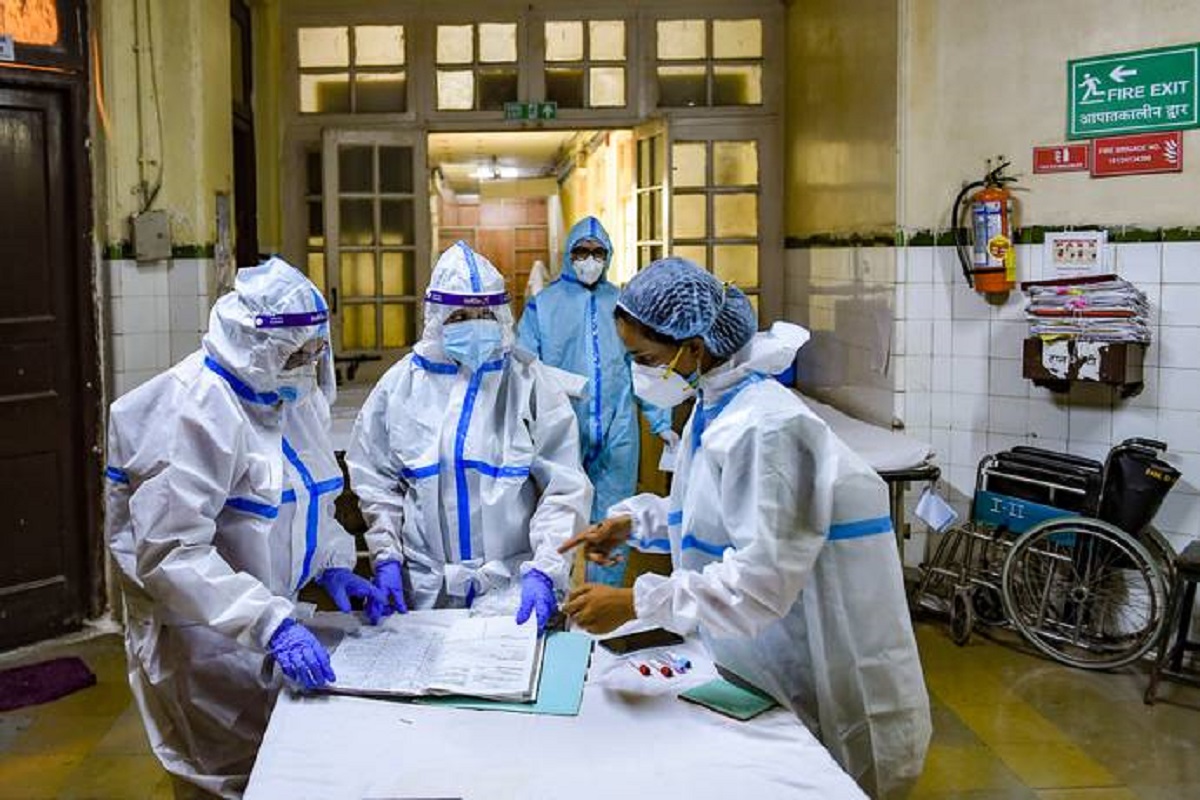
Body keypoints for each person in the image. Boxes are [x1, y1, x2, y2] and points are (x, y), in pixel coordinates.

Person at [559, 258, 930, 799]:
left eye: (646, 359)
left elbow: (761, 581)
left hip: (820, 667)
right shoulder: (717, 404)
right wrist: (632, 524)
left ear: (694, 347)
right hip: (763, 657)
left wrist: (636, 602)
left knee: (824, 778)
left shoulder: (769, 427)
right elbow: (711, 511)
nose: (640, 373)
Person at [104, 258, 387, 798]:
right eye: (296, 353)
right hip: (203, 640)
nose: (309, 364)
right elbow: (172, 555)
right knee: (225, 779)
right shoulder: (195, 410)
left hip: (262, 631)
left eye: (316, 351)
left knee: (280, 773)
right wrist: (269, 623)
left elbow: (309, 498)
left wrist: (331, 564)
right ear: (254, 344)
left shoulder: (288, 397)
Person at [347, 241, 592, 632]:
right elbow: (375, 481)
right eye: (460, 316)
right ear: (437, 318)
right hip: (424, 591)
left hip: (514, 590)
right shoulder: (400, 386)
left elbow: (564, 489)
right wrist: (386, 555)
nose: (475, 325)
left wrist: (545, 570)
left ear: (501, 316)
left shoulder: (529, 382)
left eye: (484, 314)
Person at [517, 217, 674, 586]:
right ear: (568, 255)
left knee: (613, 519)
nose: (590, 259)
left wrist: (662, 422)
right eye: (582, 252)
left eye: (598, 252)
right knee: (557, 515)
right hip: (561, 428)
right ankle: (554, 593)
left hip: (617, 429)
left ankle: (601, 603)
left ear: (609, 256)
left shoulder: (623, 304)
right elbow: (524, 369)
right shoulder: (544, 306)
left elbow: (643, 367)